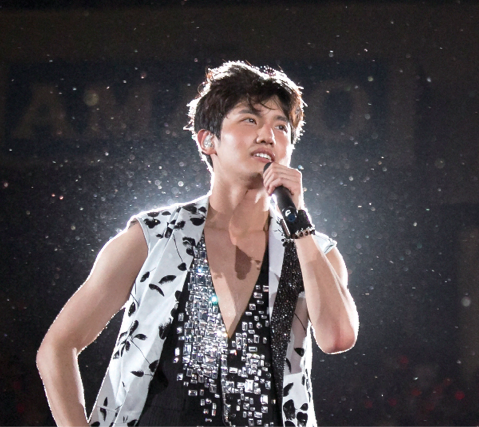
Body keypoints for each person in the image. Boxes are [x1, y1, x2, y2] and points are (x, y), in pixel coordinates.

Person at [37, 61, 359, 427]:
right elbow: (57, 347)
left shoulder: (314, 251)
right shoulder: (153, 238)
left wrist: (300, 225)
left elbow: (337, 338)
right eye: (250, 119)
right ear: (208, 140)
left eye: (281, 126)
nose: (267, 135)